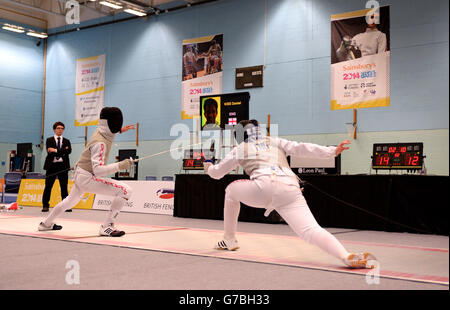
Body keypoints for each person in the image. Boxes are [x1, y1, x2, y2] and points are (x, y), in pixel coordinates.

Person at [203, 119, 377, 269]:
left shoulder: (240, 148)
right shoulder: (274, 141)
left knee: (231, 191)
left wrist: (208, 165)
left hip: (262, 187)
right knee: (311, 230)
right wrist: (331, 151)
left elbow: (217, 174)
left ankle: (229, 239)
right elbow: (300, 148)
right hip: (290, 187)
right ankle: (345, 256)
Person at [38, 107, 135, 237]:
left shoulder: (99, 131)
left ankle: (46, 224)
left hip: (80, 174)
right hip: (88, 177)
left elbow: (109, 132)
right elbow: (99, 170)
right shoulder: (100, 143)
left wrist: (121, 130)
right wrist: (121, 165)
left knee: (69, 202)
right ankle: (107, 226)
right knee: (125, 190)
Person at [42, 122, 72, 213]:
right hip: (52, 166)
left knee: (64, 187)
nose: (60, 130)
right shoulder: (49, 140)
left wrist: (55, 150)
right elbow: (49, 152)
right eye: (58, 128)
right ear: (54, 129)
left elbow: (68, 151)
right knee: (48, 186)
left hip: (63, 166)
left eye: (62, 128)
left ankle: (66, 206)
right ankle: (45, 205)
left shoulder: (67, 141)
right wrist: (63, 151)